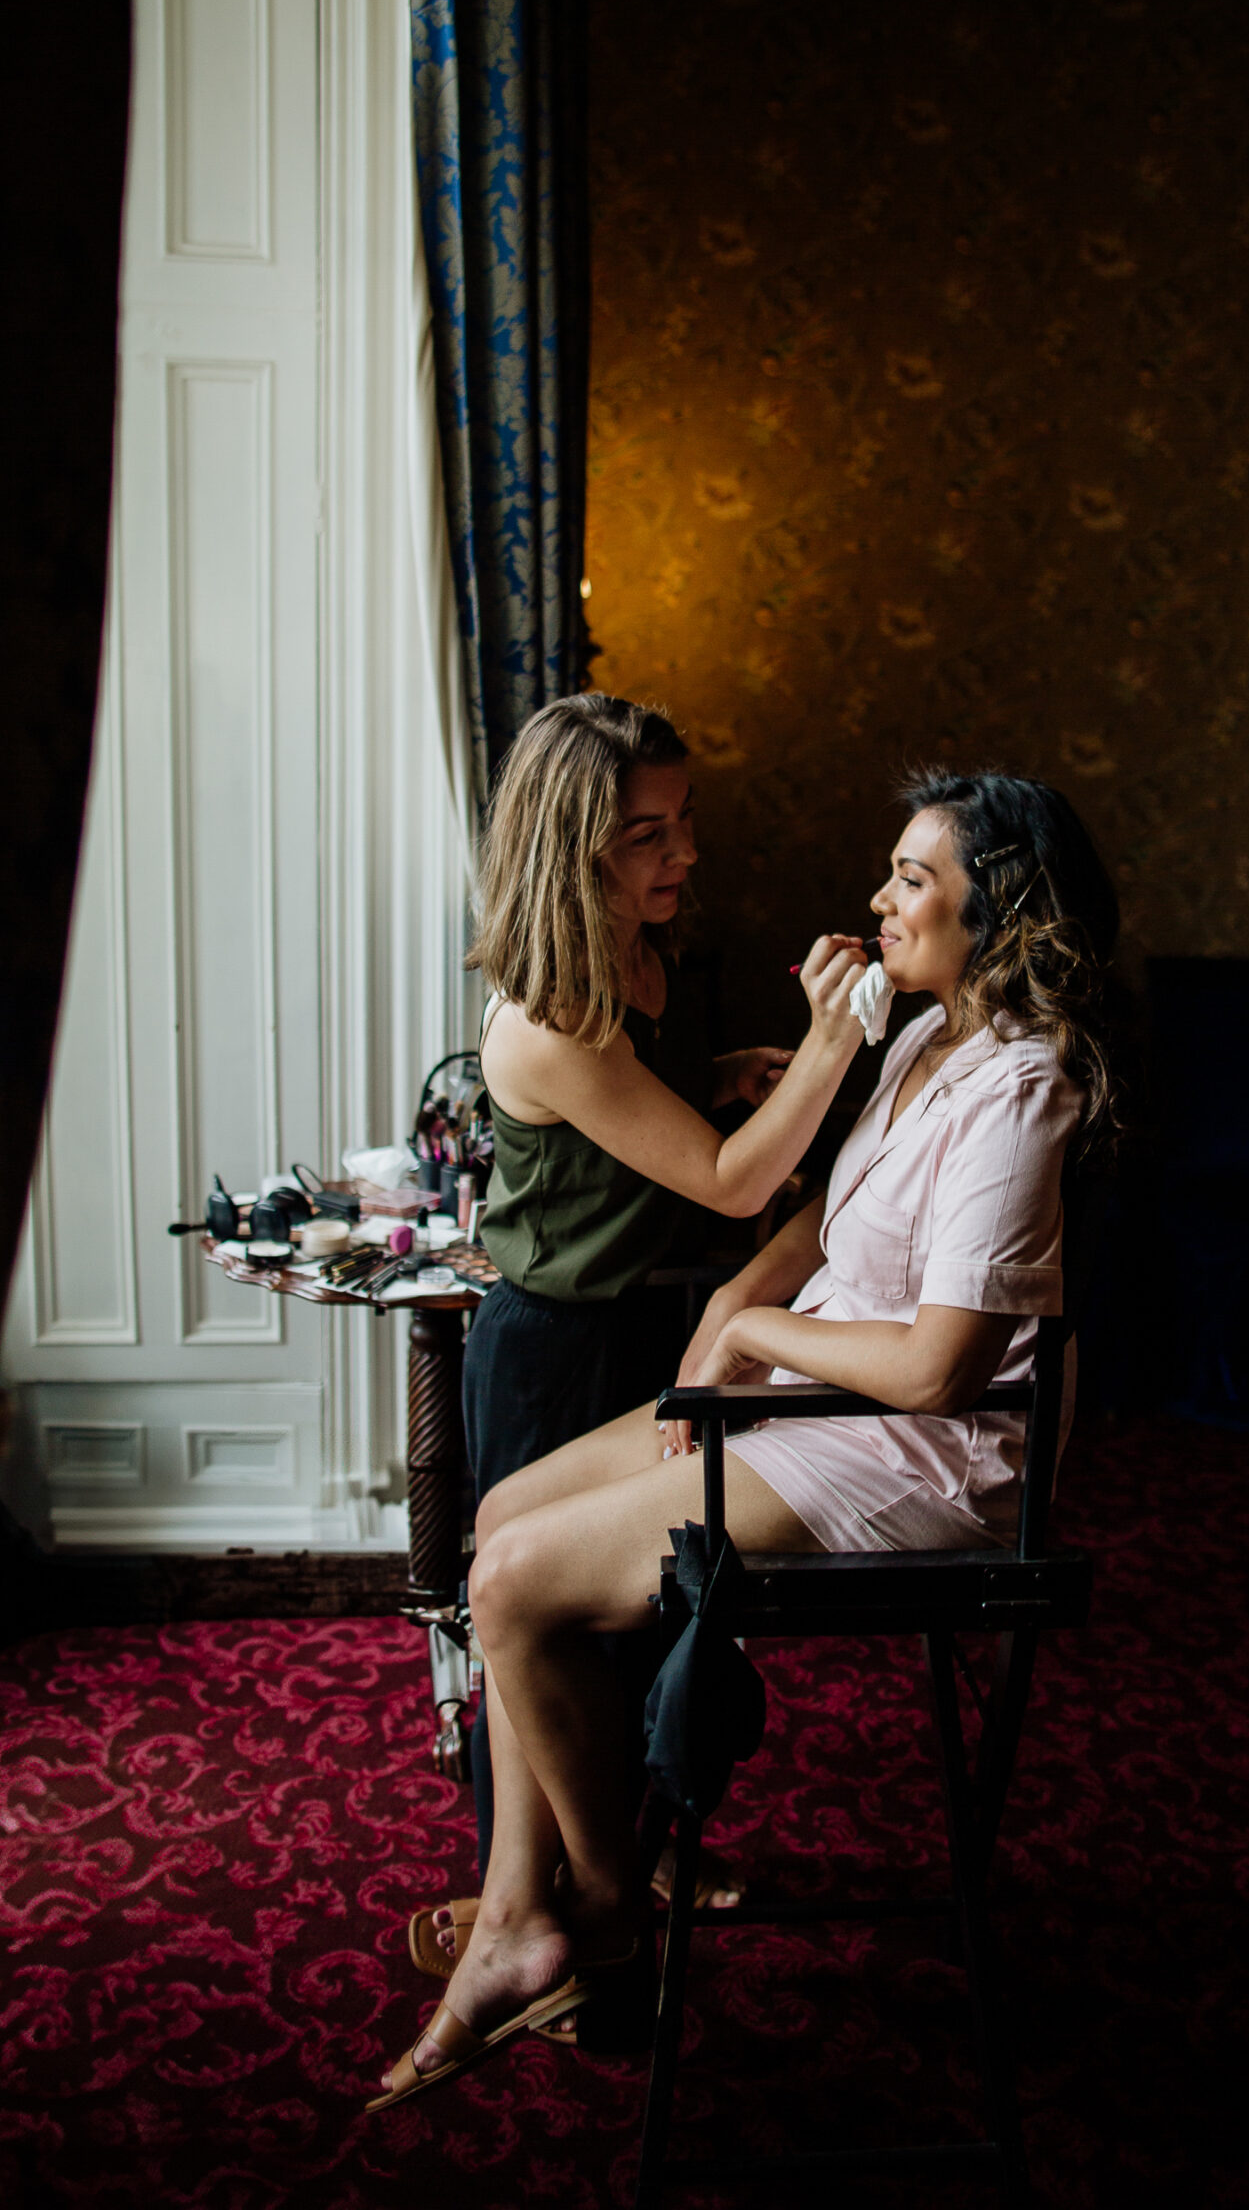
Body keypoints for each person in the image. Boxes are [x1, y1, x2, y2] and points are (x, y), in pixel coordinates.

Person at [372, 767, 1125, 2109]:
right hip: (828, 1407)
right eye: (889, 872)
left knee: (506, 1586)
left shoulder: (1021, 1086)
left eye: (912, 880)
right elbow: (827, 1213)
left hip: (923, 1455)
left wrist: (757, 1341)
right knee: (499, 1523)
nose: (878, 899)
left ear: (997, 913)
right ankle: (511, 1917)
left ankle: (595, 1910)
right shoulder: (923, 1036)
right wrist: (733, 1298)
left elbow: (935, 1366)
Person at [414, 693, 871, 1975]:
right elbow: (727, 1183)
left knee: (649, 1614)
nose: (680, 856)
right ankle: (535, 1905)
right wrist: (836, 1041)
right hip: (549, 1345)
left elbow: (664, 1128)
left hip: (639, 1325)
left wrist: (717, 1070)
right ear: (572, 846)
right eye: (645, 836)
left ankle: (627, 1850)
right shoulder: (544, 1020)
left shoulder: (640, 958)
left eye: (684, 825)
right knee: (540, 1616)